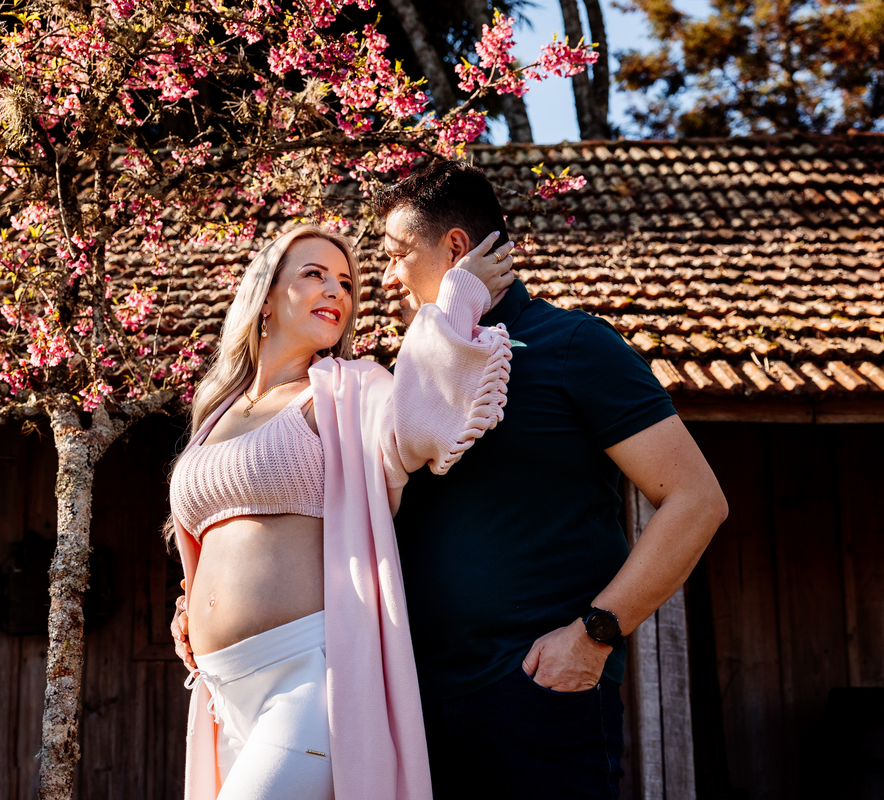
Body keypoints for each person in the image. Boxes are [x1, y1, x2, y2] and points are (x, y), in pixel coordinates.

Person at [374, 160, 728, 799]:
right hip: (415, 707)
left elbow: (696, 500)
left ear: (455, 248)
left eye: (397, 254)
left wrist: (592, 636)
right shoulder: (407, 381)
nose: (386, 275)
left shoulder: (572, 345)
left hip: (535, 694)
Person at [167, 223, 515, 800]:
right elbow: (209, 538)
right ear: (267, 296)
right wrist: (192, 606)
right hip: (221, 690)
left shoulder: (350, 388)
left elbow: (418, 414)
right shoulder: (215, 411)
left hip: (307, 676)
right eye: (314, 275)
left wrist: (459, 295)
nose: (337, 291)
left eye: (347, 283)